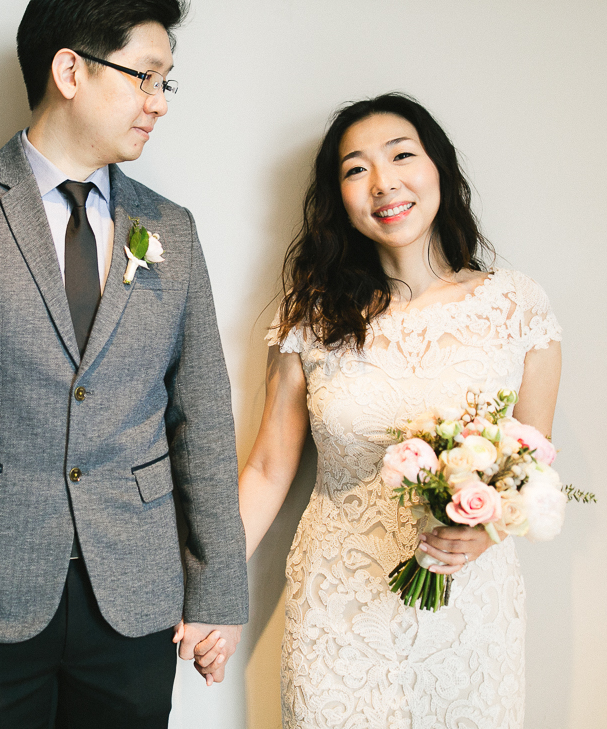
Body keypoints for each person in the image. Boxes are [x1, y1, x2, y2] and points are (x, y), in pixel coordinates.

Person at [0, 0, 248, 728]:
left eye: (165, 83)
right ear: (69, 70)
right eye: (144, 77)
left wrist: (219, 592)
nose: (158, 104)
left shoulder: (168, 227)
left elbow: (202, 418)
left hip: (136, 595)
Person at [219, 93, 561, 727]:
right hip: (338, 613)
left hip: (467, 613)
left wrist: (483, 530)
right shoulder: (311, 320)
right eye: (355, 169)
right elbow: (268, 470)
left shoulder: (517, 308)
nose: (383, 182)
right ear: (339, 201)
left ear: (440, 169)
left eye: (402, 155)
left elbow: (529, 463)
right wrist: (211, 588)